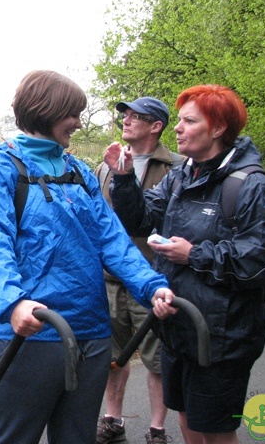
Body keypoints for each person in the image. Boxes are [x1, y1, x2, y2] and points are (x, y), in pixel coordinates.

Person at [0, 70, 176, 444]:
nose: (78, 123)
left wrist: (151, 286)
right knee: (15, 437)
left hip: (89, 333)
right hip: (28, 333)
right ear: (46, 110)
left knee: (78, 438)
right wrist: (12, 302)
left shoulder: (79, 171)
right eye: (73, 113)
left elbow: (112, 239)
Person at [104, 84, 265, 444]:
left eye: (189, 121)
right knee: (188, 418)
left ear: (218, 128)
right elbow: (141, 221)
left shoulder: (251, 185)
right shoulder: (182, 175)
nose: (177, 128)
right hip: (179, 325)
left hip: (223, 336)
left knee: (216, 429)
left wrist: (195, 254)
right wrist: (125, 178)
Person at [94, 97, 183, 444]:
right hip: (108, 278)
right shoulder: (106, 166)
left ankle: (157, 429)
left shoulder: (176, 167)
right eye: (125, 116)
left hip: (150, 277)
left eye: (135, 117)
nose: (126, 121)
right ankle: (112, 420)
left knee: (156, 358)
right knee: (113, 356)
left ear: (156, 126)